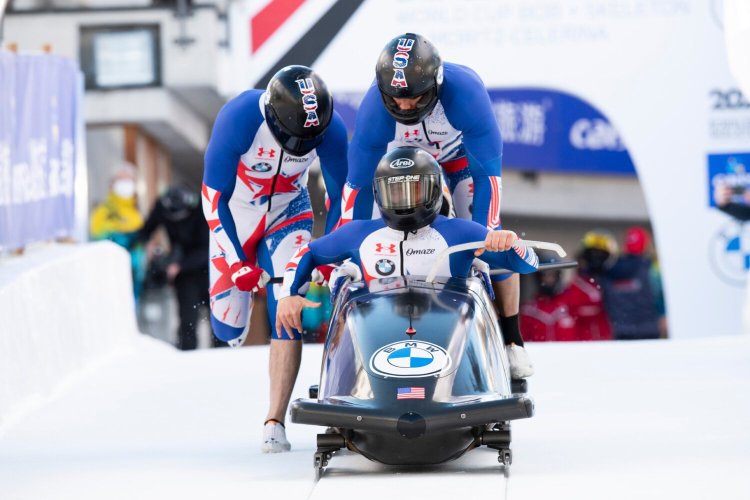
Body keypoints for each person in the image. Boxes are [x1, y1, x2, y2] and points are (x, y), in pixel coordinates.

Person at [277, 148, 539, 398]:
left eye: (414, 189)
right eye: (395, 192)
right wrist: (287, 294)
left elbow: (527, 263)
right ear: (380, 194)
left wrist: (508, 242)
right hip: (377, 337)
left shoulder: (461, 233)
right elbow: (307, 253)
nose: (405, 201)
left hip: (450, 337)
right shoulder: (359, 233)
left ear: (433, 190)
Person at [342, 33, 527, 366]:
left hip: (459, 162)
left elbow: (489, 176)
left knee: (488, 237)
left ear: (436, 84)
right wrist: (346, 251)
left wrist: (485, 237)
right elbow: (355, 188)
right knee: (382, 240)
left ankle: (512, 339)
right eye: (396, 99)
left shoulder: (466, 92)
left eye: (414, 97)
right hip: (403, 169)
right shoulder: (373, 109)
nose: (404, 106)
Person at [202, 65, 348, 453]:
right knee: (228, 330)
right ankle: (239, 302)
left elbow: (341, 200)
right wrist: (235, 262)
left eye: (308, 140)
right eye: (292, 136)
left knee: (287, 304)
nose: (300, 146)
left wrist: (329, 256)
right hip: (237, 217)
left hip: (290, 213)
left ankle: (274, 421)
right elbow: (213, 199)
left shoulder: (332, 129)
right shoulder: (239, 117)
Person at [135, 184, 217, 350]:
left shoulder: (202, 208)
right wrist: (148, 245)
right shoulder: (162, 206)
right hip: (182, 270)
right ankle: (187, 356)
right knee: (187, 319)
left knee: (216, 318)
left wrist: (179, 265)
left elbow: (208, 247)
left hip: (207, 268)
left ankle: (222, 355)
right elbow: (146, 230)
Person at [90, 163, 146, 300]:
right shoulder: (104, 211)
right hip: (110, 275)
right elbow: (97, 237)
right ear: (112, 184)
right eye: (121, 179)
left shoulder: (137, 213)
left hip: (134, 276)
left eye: (129, 180)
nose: (125, 184)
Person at [600, 226, 662, 340]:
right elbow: (659, 298)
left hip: (621, 333)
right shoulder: (651, 270)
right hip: (649, 334)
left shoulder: (610, 271)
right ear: (645, 246)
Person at [558, 229, 615, 341]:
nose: (597, 259)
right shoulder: (577, 285)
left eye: (601, 255)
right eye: (593, 254)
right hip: (584, 345)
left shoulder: (612, 281)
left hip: (609, 344)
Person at [520, 270, 576, 342]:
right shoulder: (529, 309)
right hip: (539, 351)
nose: (548, 280)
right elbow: (525, 337)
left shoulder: (569, 305)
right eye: (544, 276)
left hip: (567, 351)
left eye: (552, 276)